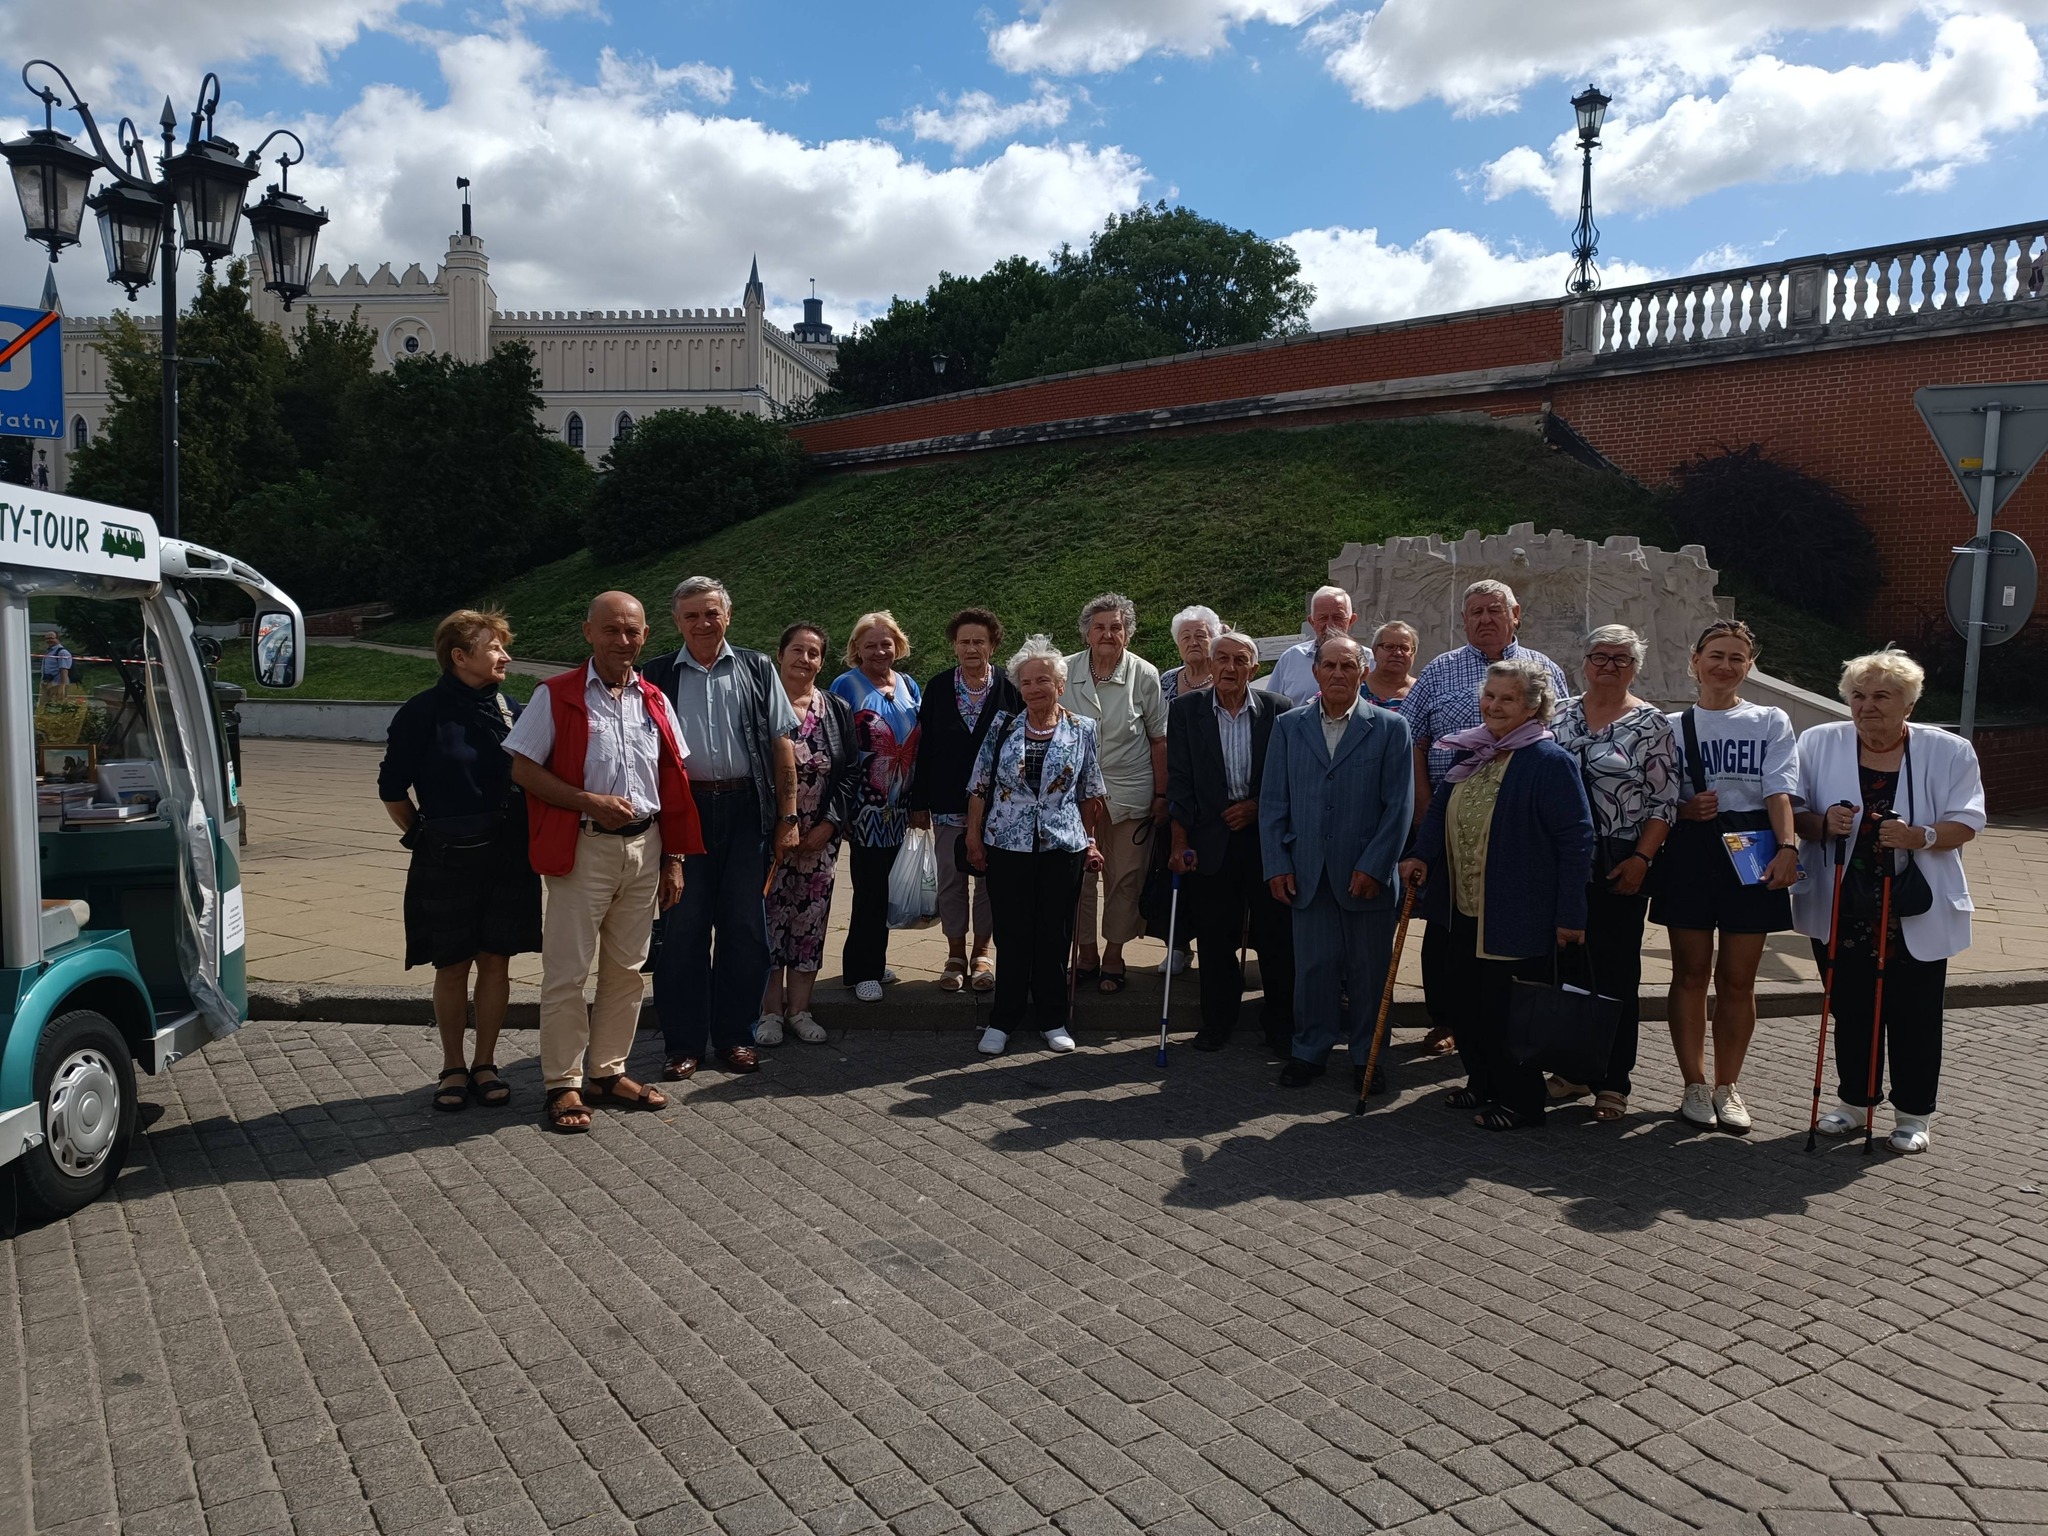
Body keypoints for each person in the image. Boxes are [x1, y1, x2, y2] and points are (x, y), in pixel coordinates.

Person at [505, 592, 703, 1133]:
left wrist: (674, 859)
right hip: (583, 846)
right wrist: (587, 801)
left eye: (632, 631)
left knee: (628, 970)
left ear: (645, 636)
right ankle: (562, 1084)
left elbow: (673, 782)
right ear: (588, 632)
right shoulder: (556, 694)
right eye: (611, 630)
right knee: (567, 973)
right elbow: (523, 769)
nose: (623, 641)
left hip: (646, 848)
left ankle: (607, 1072)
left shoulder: (655, 699)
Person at [1794, 650, 1984, 1154]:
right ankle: (1854, 1103)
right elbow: (1792, 810)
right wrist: (1821, 823)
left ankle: (1914, 1114)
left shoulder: (1949, 750)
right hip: (1842, 903)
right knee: (1850, 1007)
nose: (1867, 706)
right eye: (1858, 695)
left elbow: (1968, 821)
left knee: (1915, 1014)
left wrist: (1920, 836)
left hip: (1913, 906)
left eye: (1882, 696)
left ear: (1909, 704)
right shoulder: (1818, 741)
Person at [1399, 658, 1593, 1130]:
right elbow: (1440, 810)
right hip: (1463, 910)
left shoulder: (1549, 762)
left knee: (1510, 1012)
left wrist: (1571, 913)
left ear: (1532, 707)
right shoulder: (1474, 753)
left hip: (1517, 913)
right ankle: (1482, 1083)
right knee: (1468, 1005)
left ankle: (1522, 1101)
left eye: (1508, 698)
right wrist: (1421, 855)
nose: (1495, 705)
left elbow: (1577, 840)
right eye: (1490, 695)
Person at [377, 609, 543, 1113]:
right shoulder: (421, 712)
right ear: (459, 656)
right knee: (452, 966)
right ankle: (453, 1065)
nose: (505, 656)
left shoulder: (512, 708)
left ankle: (485, 1063)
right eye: (494, 648)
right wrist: (422, 836)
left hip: (508, 854)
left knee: (496, 961)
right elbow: (392, 789)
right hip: (448, 856)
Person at [642, 577, 799, 1079]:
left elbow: (781, 745)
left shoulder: (757, 667)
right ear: (676, 622)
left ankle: (736, 1037)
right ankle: (683, 1044)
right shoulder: (656, 675)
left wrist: (788, 817)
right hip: (684, 814)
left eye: (711, 613)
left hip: (746, 811)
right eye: (691, 615)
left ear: (727, 616)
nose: (703, 623)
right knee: (682, 932)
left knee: (745, 931)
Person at [1405, 580, 1570, 1056]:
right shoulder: (1440, 669)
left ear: (1515, 614)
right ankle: (1446, 1018)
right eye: (1475, 612)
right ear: (1463, 620)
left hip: (1517, 827)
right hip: (1450, 819)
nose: (1484, 619)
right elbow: (1412, 739)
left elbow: (1561, 736)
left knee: (1504, 922)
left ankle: (1500, 1026)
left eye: (1494, 610)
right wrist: (1424, 806)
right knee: (1445, 925)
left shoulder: (1544, 669)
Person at [1651, 619, 1799, 1134]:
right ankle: (1693, 1084)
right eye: (1716, 655)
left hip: (1752, 849)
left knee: (1738, 978)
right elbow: (1655, 796)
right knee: (1689, 973)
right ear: (1695, 661)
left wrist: (1788, 847)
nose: (1725, 665)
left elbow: (1779, 790)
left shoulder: (1770, 720)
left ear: (1749, 666)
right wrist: (1683, 809)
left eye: (1737, 657)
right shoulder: (1669, 726)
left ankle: (1728, 1085)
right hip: (1691, 850)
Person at [1259, 634, 1414, 1091]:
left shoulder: (1390, 728)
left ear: (1363, 672)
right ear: (1316, 672)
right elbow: (1273, 802)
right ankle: (1310, 1051)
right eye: (1330, 666)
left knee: (1369, 972)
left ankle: (1368, 1056)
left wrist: (1376, 865)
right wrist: (1277, 864)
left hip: (1365, 874)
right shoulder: (1288, 726)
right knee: (1313, 969)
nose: (1338, 674)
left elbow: (1399, 807)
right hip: (1307, 871)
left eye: (1348, 666)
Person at [1548, 625, 1680, 1121]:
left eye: (1621, 658)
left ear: (1635, 667)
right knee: (1566, 969)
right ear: (1584, 663)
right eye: (1600, 656)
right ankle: (1571, 1069)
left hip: (1619, 861)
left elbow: (1664, 803)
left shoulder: (1651, 724)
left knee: (1615, 972)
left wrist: (1642, 859)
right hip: (1560, 862)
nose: (1609, 665)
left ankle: (1613, 1080)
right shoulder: (1557, 714)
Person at [965, 636, 1107, 1055]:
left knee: (1054, 934)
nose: (1034, 689)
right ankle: (1002, 1019)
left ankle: (1052, 1018)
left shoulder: (1082, 729)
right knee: (1012, 933)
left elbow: (1091, 792)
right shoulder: (1002, 726)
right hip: (1007, 844)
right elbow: (978, 786)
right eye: (1026, 682)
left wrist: (1091, 841)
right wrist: (973, 837)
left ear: (1060, 685)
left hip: (1062, 846)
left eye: (1042, 680)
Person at [1168, 631, 1292, 1054]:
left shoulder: (1279, 710)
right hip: (1210, 839)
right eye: (1222, 659)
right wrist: (1179, 842)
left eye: (1240, 660)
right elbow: (1180, 781)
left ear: (1253, 670)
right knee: (1215, 937)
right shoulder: (1186, 710)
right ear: (1210, 664)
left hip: (1264, 839)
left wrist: (1257, 807)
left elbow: (1288, 777)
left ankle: (1280, 1025)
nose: (1230, 667)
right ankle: (1217, 1021)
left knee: (1276, 937)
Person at [908, 608, 1022, 995]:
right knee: (951, 881)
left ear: (993, 645)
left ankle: (982, 954)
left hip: (999, 806)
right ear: (954, 646)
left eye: (979, 641)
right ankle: (955, 954)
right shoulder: (939, 687)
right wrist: (919, 800)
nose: (971, 648)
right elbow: (925, 747)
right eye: (964, 642)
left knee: (991, 882)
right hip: (946, 800)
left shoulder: (1011, 686)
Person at [760, 622, 861, 1044]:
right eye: (797, 650)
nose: (804, 659)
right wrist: (777, 827)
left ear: (822, 661)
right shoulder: (760, 703)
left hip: (819, 841)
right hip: (768, 839)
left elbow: (850, 772)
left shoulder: (835, 708)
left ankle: (800, 1010)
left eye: (813, 653)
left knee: (811, 921)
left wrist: (829, 824)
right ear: (780, 655)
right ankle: (768, 1012)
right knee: (767, 922)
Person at [1065, 595, 1168, 993]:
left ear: (1127, 633)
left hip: (1130, 793)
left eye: (1116, 627)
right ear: (1087, 633)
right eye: (1100, 627)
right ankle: (1086, 954)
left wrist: (1161, 794)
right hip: (1074, 797)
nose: (1108, 634)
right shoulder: (1065, 670)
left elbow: (1158, 739)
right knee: (1078, 879)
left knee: (1125, 877)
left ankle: (1113, 954)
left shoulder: (1144, 674)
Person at [831, 611, 922, 1002]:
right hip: (864, 807)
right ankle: (861, 971)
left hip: (901, 806)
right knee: (869, 890)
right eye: (871, 645)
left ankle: (874, 958)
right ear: (857, 648)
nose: (880, 651)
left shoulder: (908, 684)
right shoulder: (845, 685)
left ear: (898, 645)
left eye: (886, 643)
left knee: (888, 888)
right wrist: (841, 808)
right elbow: (835, 746)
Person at [1266, 586, 1365, 706]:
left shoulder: (1370, 659)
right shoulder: (1291, 658)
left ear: (1351, 620)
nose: (1330, 624)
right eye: (1323, 618)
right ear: (1312, 622)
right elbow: (1271, 706)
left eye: (1338, 617)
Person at [1160, 606, 1222, 703]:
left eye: (1200, 636)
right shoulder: (1167, 679)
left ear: (1213, 640)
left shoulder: (1225, 678)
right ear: (1178, 644)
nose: (1193, 643)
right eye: (1186, 637)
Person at [1364, 621, 1419, 710]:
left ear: (1414, 653)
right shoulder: (1355, 686)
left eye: (1405, 648)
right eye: (1389, 647)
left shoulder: (1422, 692)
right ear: (1375, 651)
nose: (1398, 653)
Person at [39, 630, 70, 704]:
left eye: (51, 638)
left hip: (57, 684)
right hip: (47, 683)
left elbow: (64, 670)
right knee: (44, 706)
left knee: (56, 706)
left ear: (57, 639)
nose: (48, 640)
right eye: (47, 639)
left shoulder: (62, 652)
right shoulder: (50, 651)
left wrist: (62, 686)